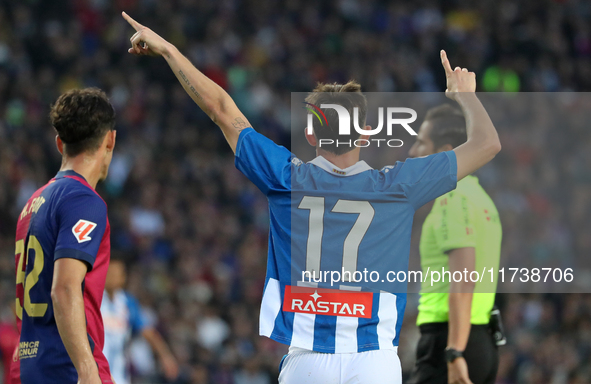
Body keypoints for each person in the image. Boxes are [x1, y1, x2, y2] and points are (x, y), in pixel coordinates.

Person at [121, 12, 501, 383]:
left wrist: (169, 50)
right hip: (374, 361)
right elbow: (487, 143)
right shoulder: (399, 185)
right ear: (365, 134)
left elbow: (221, 109)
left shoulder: (286, 177)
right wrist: (464, 95)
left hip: (306, 360)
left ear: (311, 135)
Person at [11, 88, 116, 384]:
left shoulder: (31, 205)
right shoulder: (83, 200)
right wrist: (86, 369)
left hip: (28, 366)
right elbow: (65, 288)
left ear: (60, 143)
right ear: (110, 140)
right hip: (68, 365)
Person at [408, 104, 502, 384]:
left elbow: (464, 279)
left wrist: (453, 353)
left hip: (449, 341)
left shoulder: (453, 197)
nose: (413, 152)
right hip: (479, 338)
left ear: (444, 151)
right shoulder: (479, 196)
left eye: (421, 142)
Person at [101, 255, 179, 384]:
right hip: (93, 373)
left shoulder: (128, 302)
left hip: (119, 375)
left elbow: (148, 332)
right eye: (109, 272)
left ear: (123, 277)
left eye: (116, 273)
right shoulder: (91, 300)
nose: (112, 277)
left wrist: (165, 356)